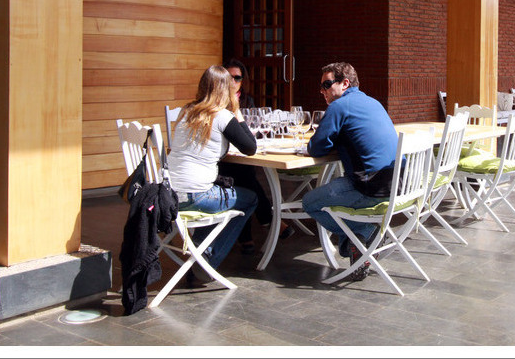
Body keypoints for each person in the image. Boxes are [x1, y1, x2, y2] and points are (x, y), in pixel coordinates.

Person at [302, 62, 399, 281]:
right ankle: (359, 242)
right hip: (398, 185)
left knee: (310, 202)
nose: (322, 91)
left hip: (369, 186)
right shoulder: (373, 102)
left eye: (327, 84)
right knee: (333, 193)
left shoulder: (339, 106)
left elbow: (316, 147)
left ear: (345, 83)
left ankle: (363, 234)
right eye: (322, 86)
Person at [166, 65, 258, 285]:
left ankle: (199, 251)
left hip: (169, 195)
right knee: (249, 198)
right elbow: (250, 147)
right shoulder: (222, 116)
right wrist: (237, 113)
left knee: (217, 193)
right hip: (196, 196)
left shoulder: (187, 110)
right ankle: (207, 258)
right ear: (226, 90)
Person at [219, 58, 294, 254]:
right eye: (229, 77)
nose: (233, 81)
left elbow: (250, 131)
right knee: (244, 177)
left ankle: (247, 235)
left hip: (237, 155)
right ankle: (269, 220)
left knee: (243, 175)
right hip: (219, 161)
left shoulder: (246, 100)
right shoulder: (216, 103)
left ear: (243, 80)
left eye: (238, 77)